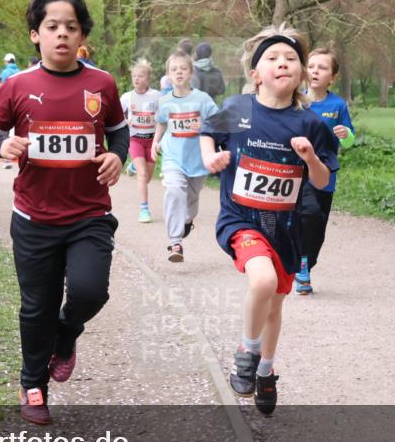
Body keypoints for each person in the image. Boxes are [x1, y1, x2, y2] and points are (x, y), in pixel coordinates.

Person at [0, 0, 128, 425]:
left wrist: (117, 154)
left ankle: (66, 334)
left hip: (89, 214)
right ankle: (32, 384)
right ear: (34, 35)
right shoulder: (17, 85)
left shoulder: (101, 83)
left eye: (71, 27)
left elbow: (118, 131)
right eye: (52, 26)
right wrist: (2, 143)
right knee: (35, 307)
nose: (62, 34)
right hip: (35, 217)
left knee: (89, 291)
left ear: (83, 36)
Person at [199, 24, 339, 414]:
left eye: (291, 59)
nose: (283, 64)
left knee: (275, 307)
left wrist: (310, 157)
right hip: (241, 219)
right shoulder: (237, 110)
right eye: (272, 58)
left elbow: (324, 180)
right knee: (262, 280)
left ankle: (265, 370)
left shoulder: (311, 123)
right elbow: (207, 133)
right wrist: (211, 156)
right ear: (255, 73)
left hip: (286, 229)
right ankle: (247, 348)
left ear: (301, 73)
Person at [295, 48, 355, 294]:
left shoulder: (337, 105)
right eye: (311, 67)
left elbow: (349, 140)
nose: (315, 71)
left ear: (332, 77)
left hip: (325, 174)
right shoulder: (296, 101)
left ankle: (307, 262)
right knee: (305, 214)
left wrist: (346, 134)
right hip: (297, 173)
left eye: (322, 68)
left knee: (317, 224)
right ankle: (299, 264)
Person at [152, 50, 218, 262]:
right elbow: (162, 121)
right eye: (174, 70)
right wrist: (155, 142)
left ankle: (187, 221)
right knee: (174, 189)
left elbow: (217, 122)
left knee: (191, 200)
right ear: (168, 75)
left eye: (183, 68)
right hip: (173, 156)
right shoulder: (164, 101)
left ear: (191, 73)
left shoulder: (203, 99)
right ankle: (175, 242)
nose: (178, 72)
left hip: (197, 159)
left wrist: (205, 126)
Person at [120, 59, 161, 222]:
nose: (137, 79)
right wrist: (125, 121)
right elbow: (115, 114)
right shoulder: (127, 97)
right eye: (134, 76)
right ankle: (144, 210)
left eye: (141, 76)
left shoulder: (156, 96)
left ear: (148, 79)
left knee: (148, 178)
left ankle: (133, 166)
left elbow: (164, 116)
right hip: (135, 139)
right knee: (143, 175)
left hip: (151, 141)